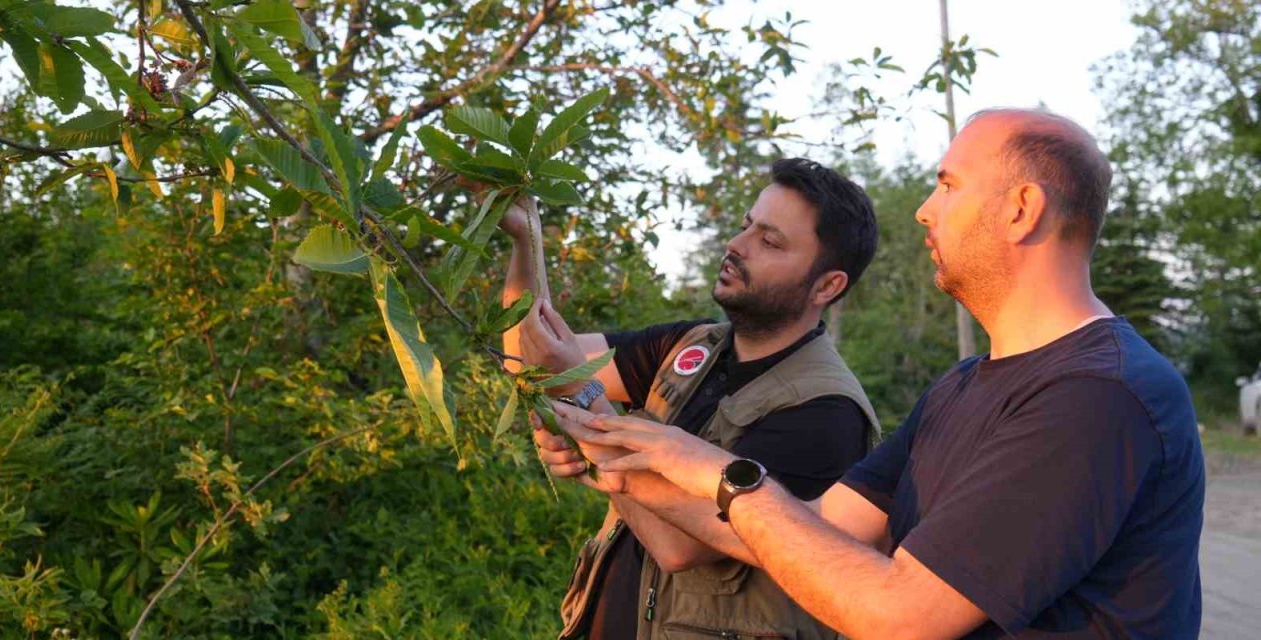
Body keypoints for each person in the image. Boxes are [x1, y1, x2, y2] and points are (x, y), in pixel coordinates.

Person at [547, 109, 1205, 639]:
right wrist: (620, 458)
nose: (924, 209)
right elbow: (809, 528)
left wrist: (721, 472)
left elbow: (900, 616)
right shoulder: (960, 387)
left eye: (948, 185)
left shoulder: (1095, 396)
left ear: (1021, 209)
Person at [500, 158, 881, 639]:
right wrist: (527, 239)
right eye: (746, 225)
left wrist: (585, 402)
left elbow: (678, 546)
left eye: (769, 241)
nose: (737, 244)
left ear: (827, 285)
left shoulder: (826, 411)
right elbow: (527, 356)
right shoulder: (691, 346)